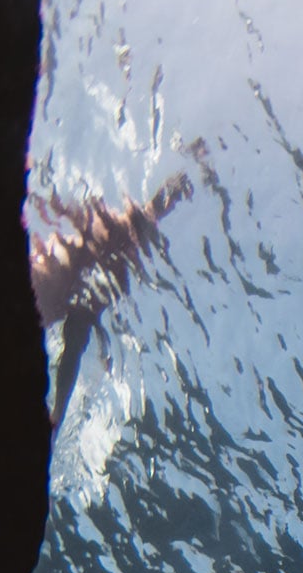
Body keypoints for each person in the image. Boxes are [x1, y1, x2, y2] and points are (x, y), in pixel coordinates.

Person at [26, 169, 194, 431]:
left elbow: (74, 345)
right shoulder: (110, 258)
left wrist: (58, 412)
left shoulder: (94, 219)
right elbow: (73, 346)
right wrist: (57, 413)